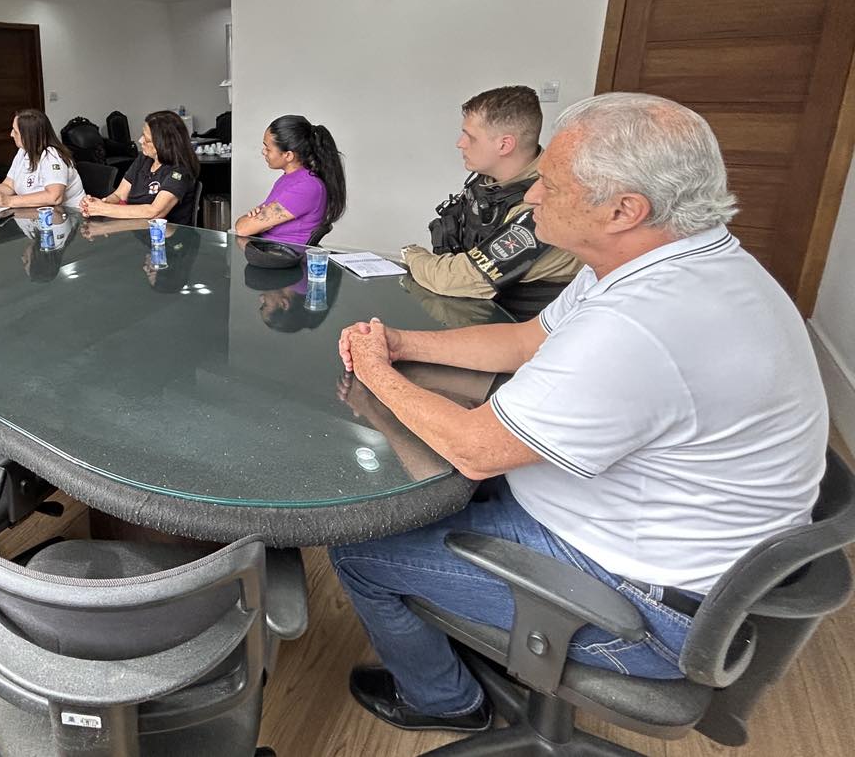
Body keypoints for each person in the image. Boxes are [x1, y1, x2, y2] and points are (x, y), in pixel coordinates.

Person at [329, 93, 828, 734]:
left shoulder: (641, 325)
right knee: (441, 488)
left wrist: (375, 372)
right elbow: (527, 340)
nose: (533, 195)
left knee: (359, 549)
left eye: (553, 184)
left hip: (647, 606)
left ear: (624, 209)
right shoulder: (657, 261)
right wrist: (402, 344)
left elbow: (477, 449)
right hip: (671, 546)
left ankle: (443, 701)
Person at [402, 86, 579, 318]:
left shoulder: (545, 204)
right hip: (478, 315)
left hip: (522, 327)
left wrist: (411, 254)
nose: (460, 143)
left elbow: (456, 279)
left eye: (470, 137)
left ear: (504, 145)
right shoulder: (491, 182)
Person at [234, 115, 346, 245]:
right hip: (264, 250)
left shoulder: (307, 186)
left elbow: (243, 228)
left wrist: (257, 221)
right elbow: (244, 226)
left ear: (288, 155)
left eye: (268, 149)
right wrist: (257, 221)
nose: (263, 152)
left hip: (281, 254)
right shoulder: (288, 179)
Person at [81, 109, 199, 226]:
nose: (140, 140)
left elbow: (155, 212)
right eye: (143, 134)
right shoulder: (144, 158)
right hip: (136, 229)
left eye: (147, 140)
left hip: (166, 234)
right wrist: (100, 203)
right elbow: (119, 195)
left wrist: (103, 209)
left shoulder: (179, 171)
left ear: (164, 144)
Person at [0, 109, 86, 210]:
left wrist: (9, 201)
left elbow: (54, 197)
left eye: (15, 131)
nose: (11, 134)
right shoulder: (23, 152)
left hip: (70, 217)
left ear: (29, 135)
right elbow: (9, 186)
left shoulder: (52, 155)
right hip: (38, 217)